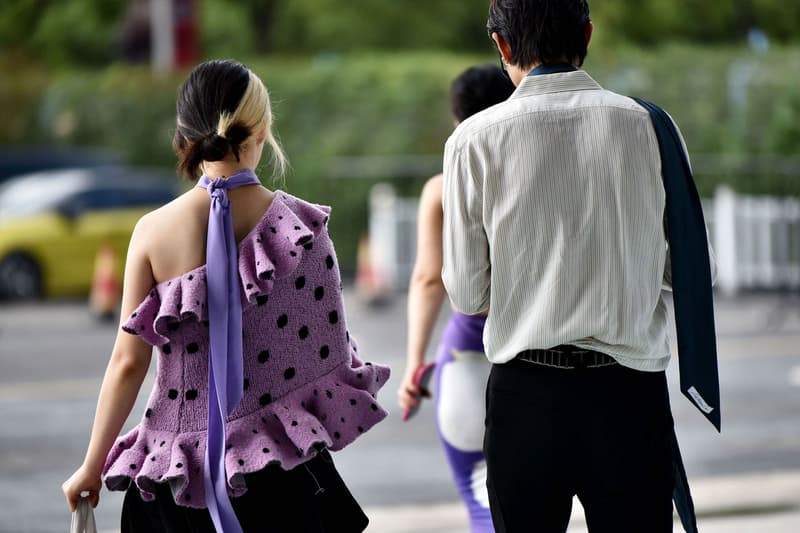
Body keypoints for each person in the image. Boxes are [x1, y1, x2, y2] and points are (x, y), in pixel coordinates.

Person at [62, 59, 390, 533]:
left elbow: (127, 363)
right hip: (279, 479)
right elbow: (328, 357)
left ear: (184, 137)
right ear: (261, 131)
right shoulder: (301, 231)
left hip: (176, 480)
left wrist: (92, 467)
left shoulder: (152, 233)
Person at [441, 1, 717, 532]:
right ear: (587, 34)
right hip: (629, 397)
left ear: (500, 46)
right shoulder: (651, 127)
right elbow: (687, 272)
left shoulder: (471, 141)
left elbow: (468, 295)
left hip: (525, 398)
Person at [398, 64, 514, 533]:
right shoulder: (530, 178)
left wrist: (414, 362)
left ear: (456, 122)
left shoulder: (442, 188)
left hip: (467, 354)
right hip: (535, 354)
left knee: (481, 503)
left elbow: (429, 279)